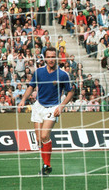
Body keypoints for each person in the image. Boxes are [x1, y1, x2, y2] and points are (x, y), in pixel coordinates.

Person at [17, 47, 75, 176]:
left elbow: (71, 91)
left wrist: (61, 106)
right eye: (48, 57)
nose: (51, 59)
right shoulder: (39, 72)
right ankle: (46, 167)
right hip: (38, 106)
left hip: (53, 107)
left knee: (44, 136)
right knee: (38, 139)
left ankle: (47, 166)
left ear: (56, 57)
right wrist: (23, 100)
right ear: (45, 58)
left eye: (53, 57)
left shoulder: (63, 74)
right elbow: (31, 87)